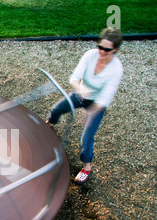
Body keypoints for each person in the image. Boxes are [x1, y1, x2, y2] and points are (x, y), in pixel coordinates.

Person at [46, 28, 123, 184]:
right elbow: (74, 78)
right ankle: (49, 124)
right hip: (81, 93)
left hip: (96, 103)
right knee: (56, 109)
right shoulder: (90, 55)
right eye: (100, 47)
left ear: (114, 50)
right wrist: (80, 90)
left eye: (107, 49)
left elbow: (105, 98)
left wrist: (89, 112)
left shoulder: (116, 68)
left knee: (86, 138)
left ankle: (86, 167)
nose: (102, 51)